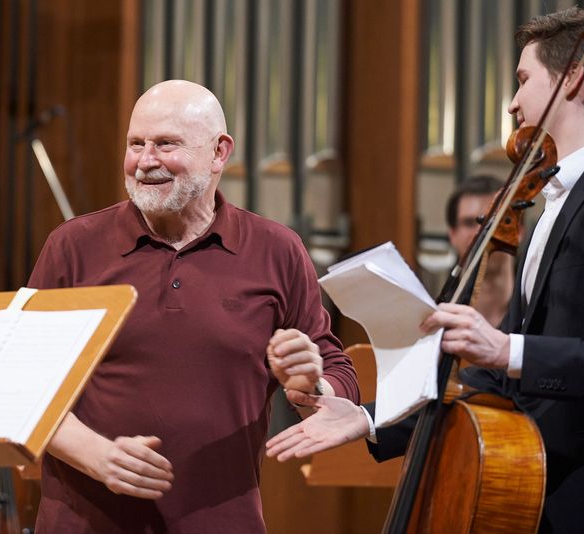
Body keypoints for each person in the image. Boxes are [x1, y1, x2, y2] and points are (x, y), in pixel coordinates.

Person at [267, 8, 584, 533]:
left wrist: (510, 351)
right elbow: (493, 375)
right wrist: (367, 420)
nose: (512, 102)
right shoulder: (553, 202)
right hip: (541, 497)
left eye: (524, 80)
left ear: (572, 78)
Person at [27, 79, 360, 533]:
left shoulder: (277, 250)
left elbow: (334, 376)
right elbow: (23, 388)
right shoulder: (73, 247)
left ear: (220, 152)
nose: (145, 161)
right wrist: (97, 456)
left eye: (166, 144)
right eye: (136, 144)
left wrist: (310, 383)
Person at [445, 175, 514, 326]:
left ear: (518, 231)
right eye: (469, 223)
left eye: (492, 222)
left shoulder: (537, 317)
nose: (480, 232)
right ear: (452, 235)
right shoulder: (439, 321)